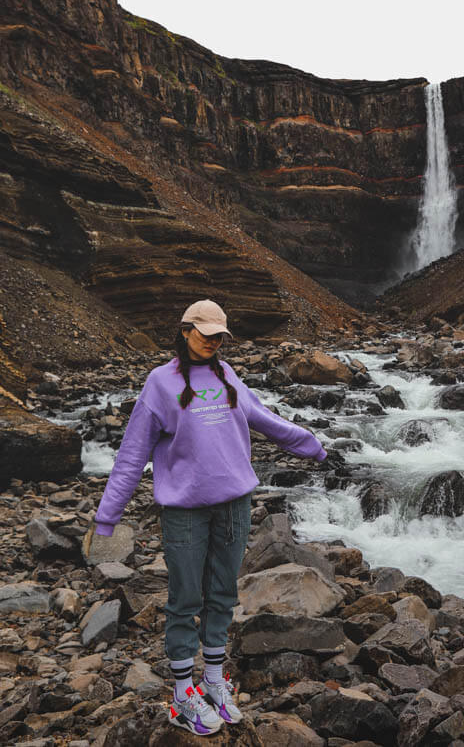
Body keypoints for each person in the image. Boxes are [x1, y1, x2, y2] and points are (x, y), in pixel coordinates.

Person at [94, 299, 327, 736]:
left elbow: (264, 420)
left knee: (222, 594)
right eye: (205, 333)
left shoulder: (227, 375)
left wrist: (311, 445)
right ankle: (184, 695)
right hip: (184, 513)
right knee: (185, 599)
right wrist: (108, 516)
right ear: (185, 331)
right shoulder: (159, 384)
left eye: (219, 335)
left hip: (235, 506)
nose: (213, 341)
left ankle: (214, 684)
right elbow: (132, 455)